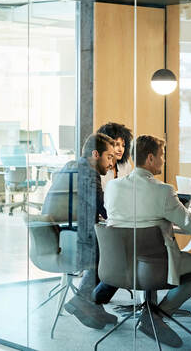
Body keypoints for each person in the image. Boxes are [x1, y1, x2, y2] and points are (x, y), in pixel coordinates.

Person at [94, 135, 191, 348]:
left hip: (117, 268)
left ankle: (151, 314)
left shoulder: (113, 187)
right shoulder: (163, 191)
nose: (163, 161)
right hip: (152, 269)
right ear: (151, 158)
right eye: (162, 156)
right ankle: (155, 315)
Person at [60, 133, 119, 330]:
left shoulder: (73, 166)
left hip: (64, 234)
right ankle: (81, 300)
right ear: (95, 154)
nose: (112, 163)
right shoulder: (88, 172)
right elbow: (102, 206)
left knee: (112, 247)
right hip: (80, 238)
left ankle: (93, 306)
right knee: (118, 253)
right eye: (109, 156)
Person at [97, 122, 133, 189]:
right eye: (116, 145)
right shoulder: (97, 168)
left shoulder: (126, 165)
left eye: (123, 145)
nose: (121, 149)